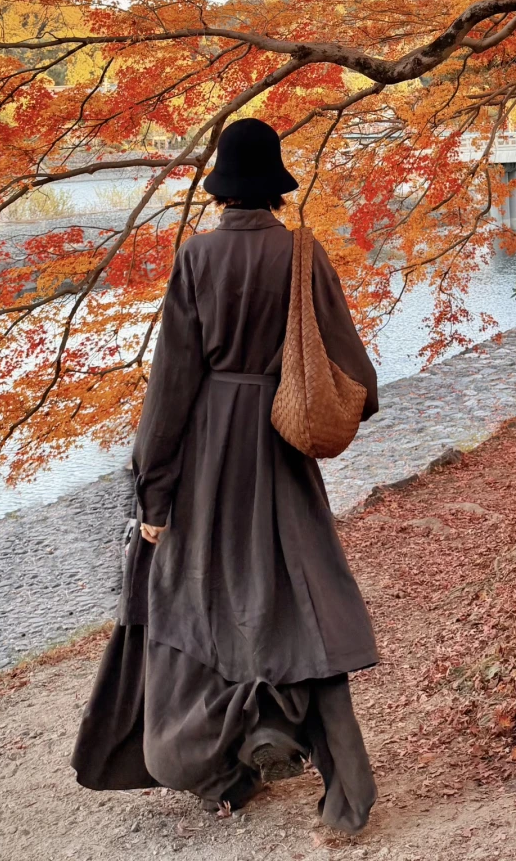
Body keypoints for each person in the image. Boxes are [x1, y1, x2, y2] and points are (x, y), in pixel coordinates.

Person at [72, 118, 380, 834]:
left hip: (206, 458)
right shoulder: (304, 256)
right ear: (274, 188)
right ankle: (344, 796)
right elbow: (357, 375)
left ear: (221, 190)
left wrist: (153, 490)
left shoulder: (197, 260)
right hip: (279, 455)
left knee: (197, 600)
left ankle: (222, 766)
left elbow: (170, 389)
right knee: (302, 605)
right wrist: (315, 409)